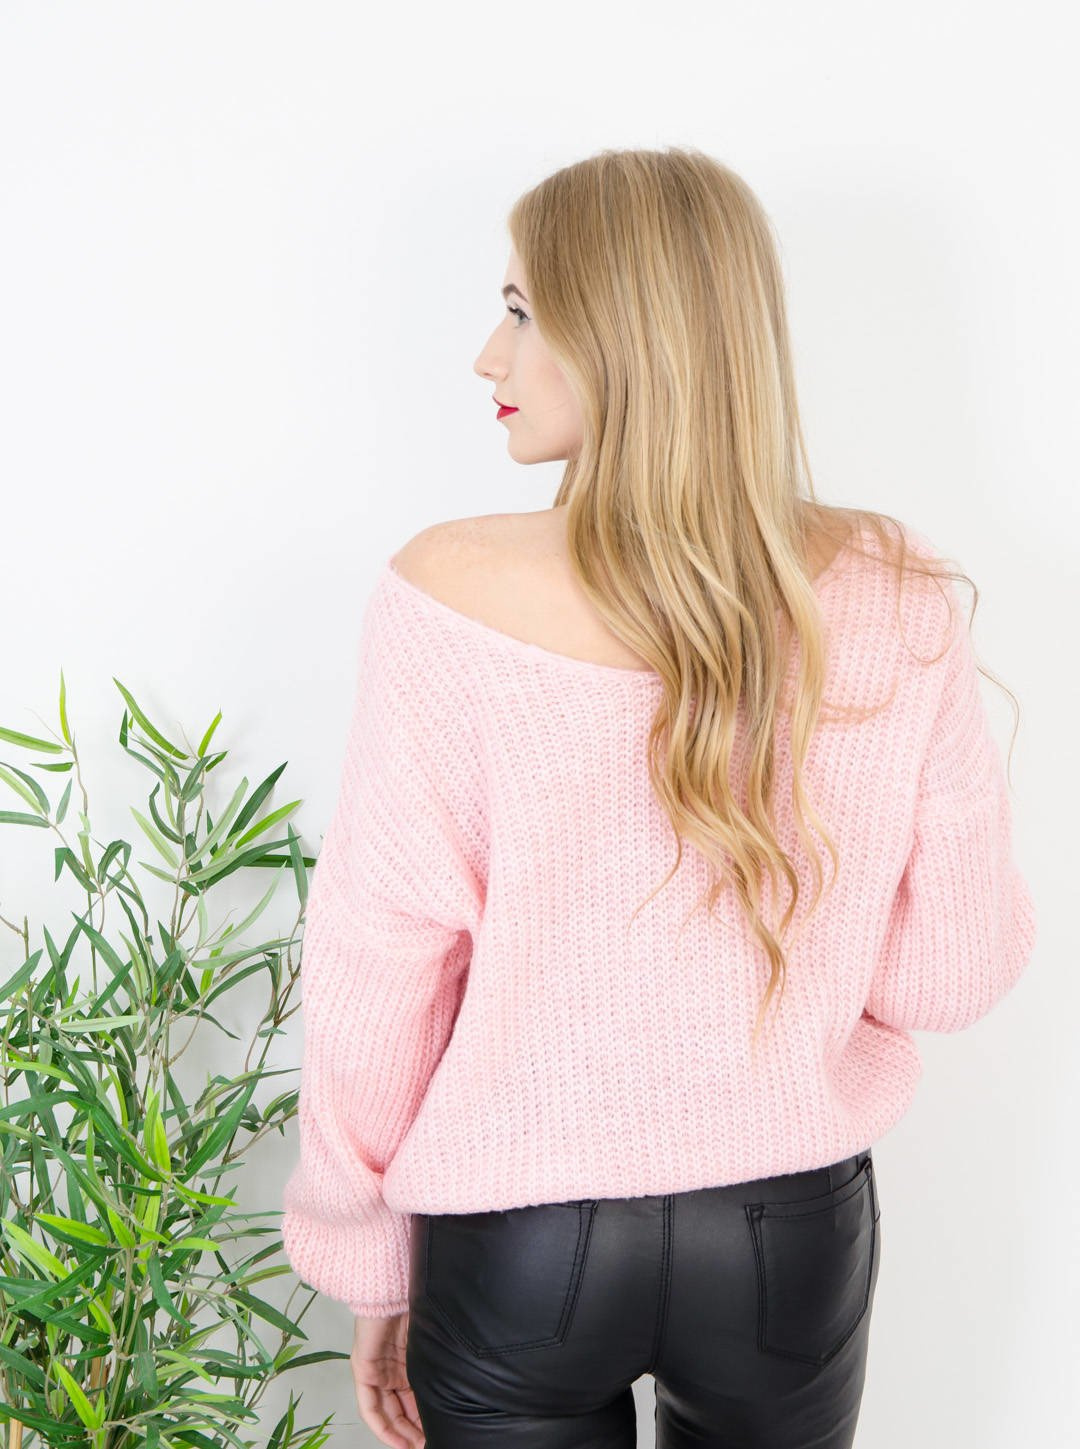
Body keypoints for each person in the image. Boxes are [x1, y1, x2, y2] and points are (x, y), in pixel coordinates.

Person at [280, 146, 1037, 1449]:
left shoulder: (445, 596)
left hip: (519, 1243)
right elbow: (948, 975)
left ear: (623, 335)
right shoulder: (893, 588)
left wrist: (372, 1261)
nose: (487, 356)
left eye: (522, 312)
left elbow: (379, 966)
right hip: (787, 1236)